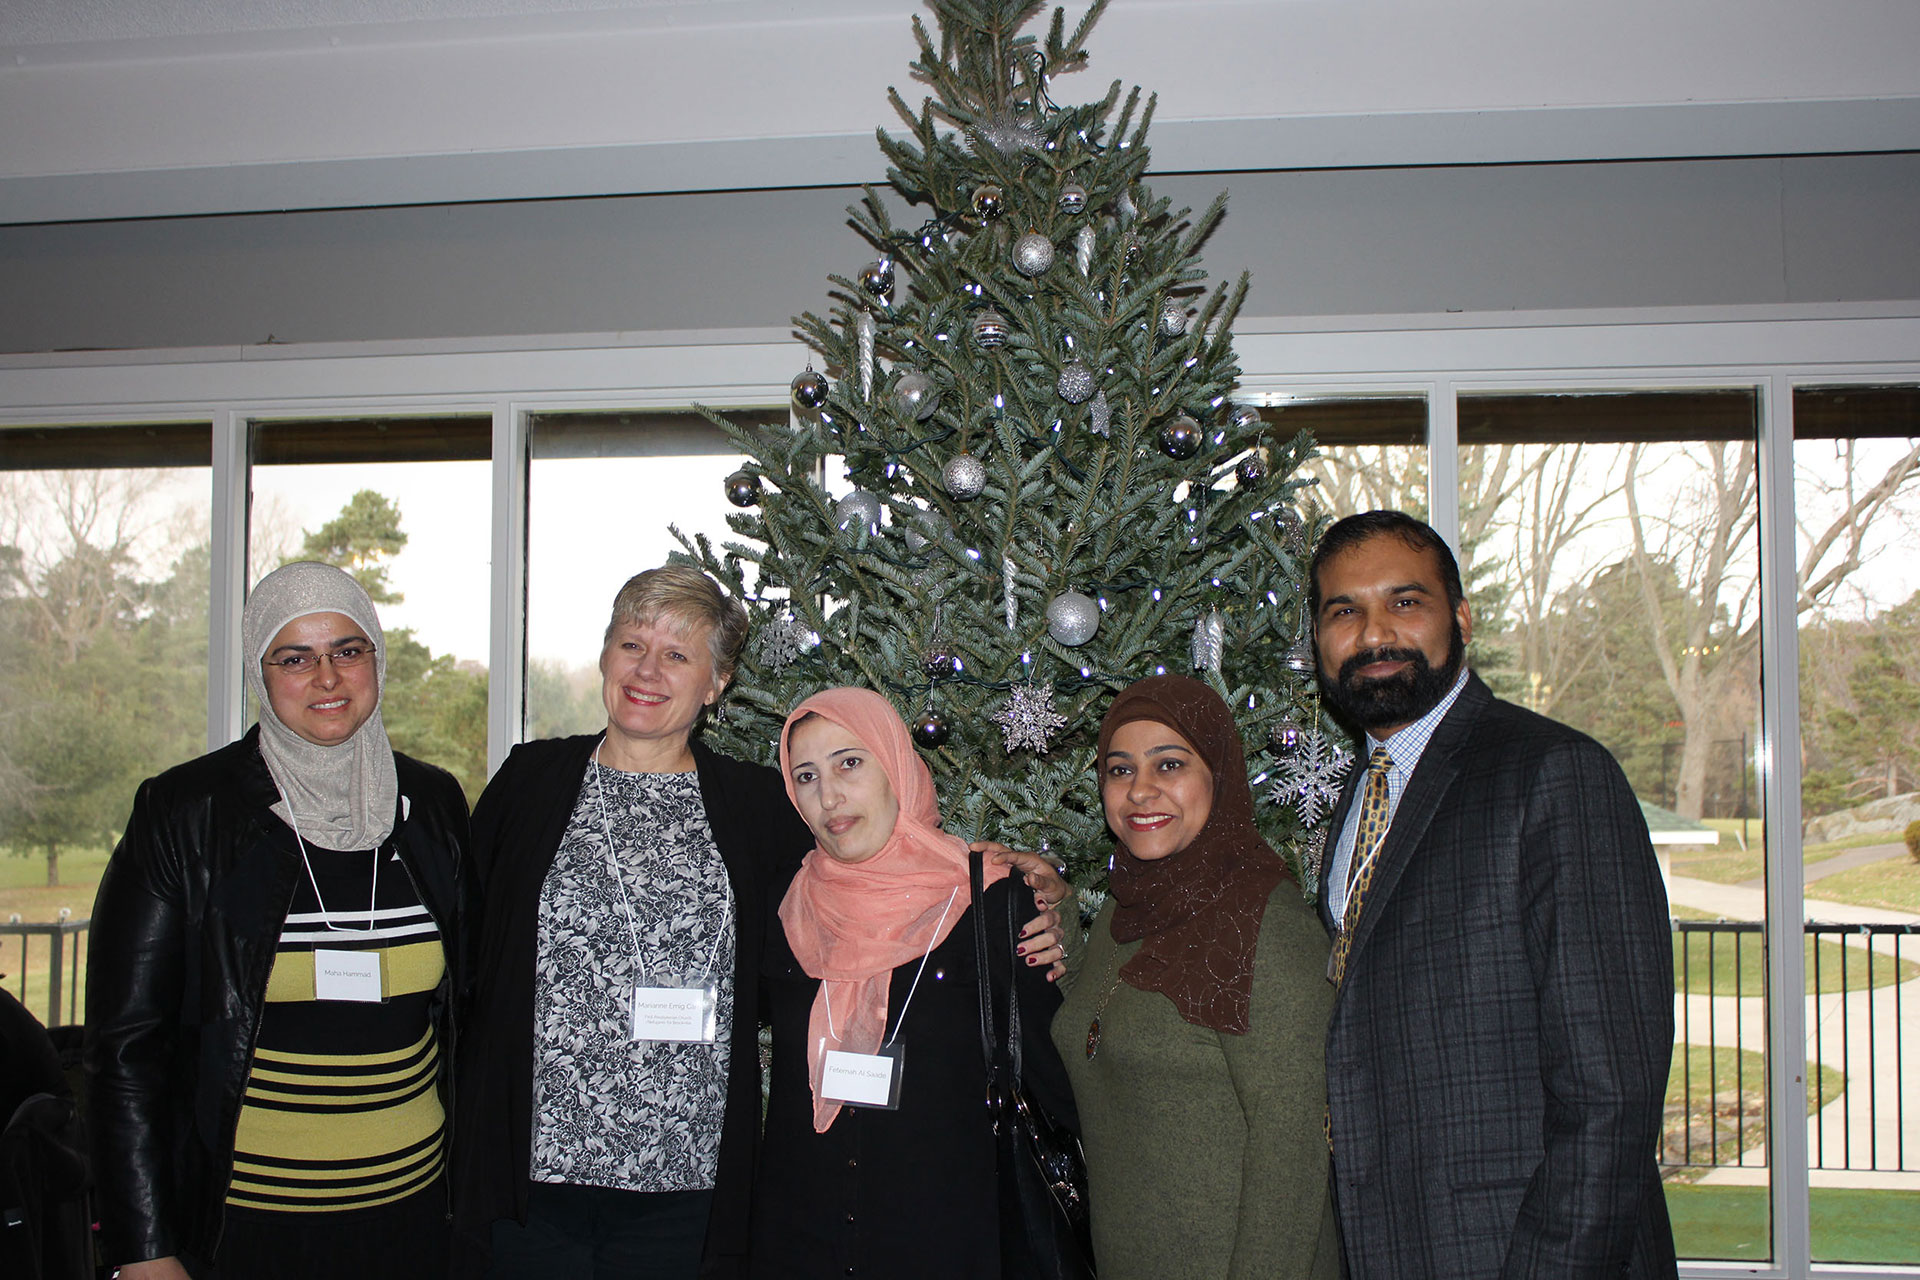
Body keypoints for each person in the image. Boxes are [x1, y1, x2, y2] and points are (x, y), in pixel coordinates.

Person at [451, 567, 1073, 1279]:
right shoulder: (529, 782)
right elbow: (468, 944)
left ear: (716, 684)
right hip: (532, 1179)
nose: (648, 670)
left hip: (689, 1186)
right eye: (631, 645)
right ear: (604, 656)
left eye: (678, 655)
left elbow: (869, 856)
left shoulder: (754, 806)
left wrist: (1028, 877)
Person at [1309, 510, 1677, 1279]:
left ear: (1463, 618)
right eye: (1344, 610)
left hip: (1521, 1251)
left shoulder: (1554, 774)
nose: (1374, 633)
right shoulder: (1357, 799)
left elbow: (1610, 1095)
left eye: (1405, 603)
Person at [84, 561, 470, 1280]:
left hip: (415, 1219)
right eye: (295, 658)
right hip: (246, 1230)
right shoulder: (186, 814)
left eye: (348, 651)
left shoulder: (433, 804)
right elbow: (126, 1050)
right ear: (261, 674)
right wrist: (143, 1249)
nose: (327, 678)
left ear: (376, 661)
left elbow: (464, 1014)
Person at [750, 687, 1076, 1279]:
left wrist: (1067, 918)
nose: (829, 796)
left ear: (895, 763)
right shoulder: (787, 905)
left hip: (945, 1238)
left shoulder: (990, 899)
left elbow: (1058, 1080)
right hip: (802, 1237)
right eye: (806, 775)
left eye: (850, 762)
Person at [1052, 674, 1340, 1280]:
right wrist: (1058, 916)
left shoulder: (1265, 925)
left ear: (1218, 775)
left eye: (1170, 765)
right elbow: (1107, 1022)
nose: (1140, 791)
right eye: (1120, 770)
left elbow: (1294, 1156)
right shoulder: (1124, 907)